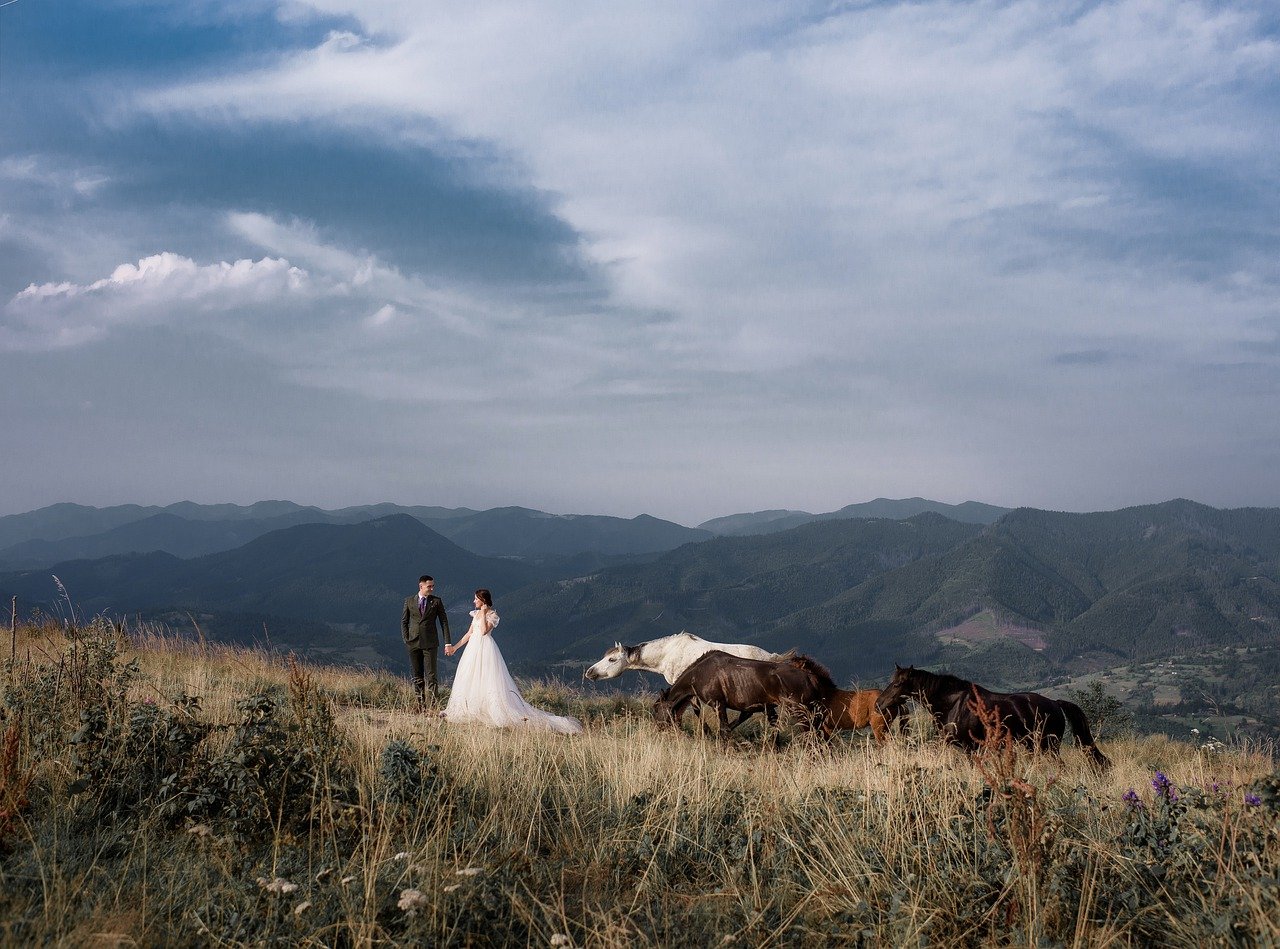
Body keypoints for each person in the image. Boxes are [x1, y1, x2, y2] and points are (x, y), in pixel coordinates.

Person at [442, 589, 583, 734]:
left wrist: (484, 613)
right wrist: (455, 648)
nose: (474, 601)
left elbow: (484, 631)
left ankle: (491, 709)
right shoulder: (475, 614)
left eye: (476, 599)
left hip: (486, 649)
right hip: (473, 648)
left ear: (483, 600)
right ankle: (469, 708)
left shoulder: (492, 615)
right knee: (470, 676)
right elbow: (469, 633)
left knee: (487, 678)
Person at [402, 575, 451, 706]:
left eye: (433, 586)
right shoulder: (409, 601)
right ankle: (420, 704)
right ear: (421, 586)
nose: (432, 588)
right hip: (413, 642)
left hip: (430, 643)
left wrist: (447, 642)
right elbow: (404, 621)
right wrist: (406, 638)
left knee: (431, 676)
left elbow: (444, 622)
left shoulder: (436, 601)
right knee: (417, 675)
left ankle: (434, 705)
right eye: (429, 586)